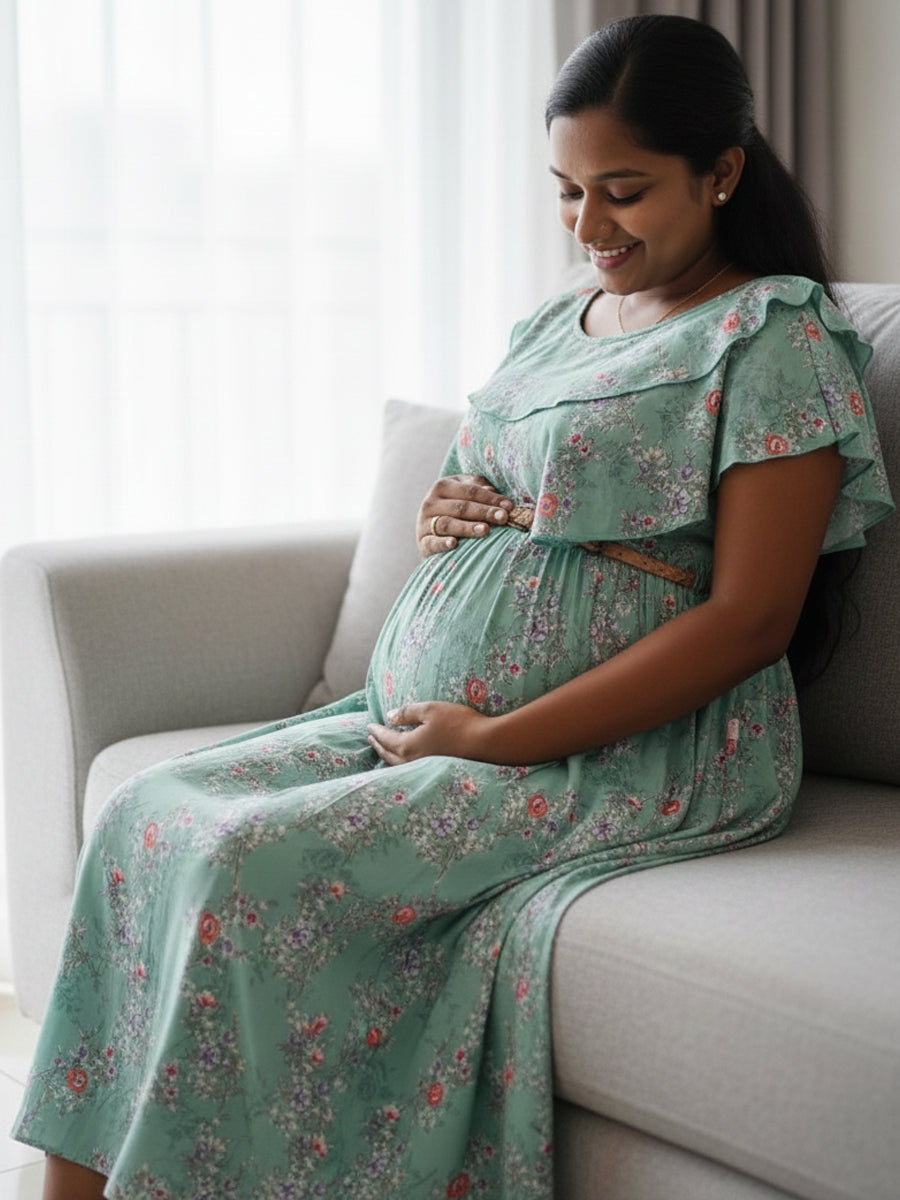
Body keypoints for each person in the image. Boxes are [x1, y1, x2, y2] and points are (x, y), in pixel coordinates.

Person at [13, 14, 893, 1200]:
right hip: (432, 713)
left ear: (721, 173)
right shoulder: (552, 323)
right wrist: (452, 521)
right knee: (147, 819)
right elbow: (505, 486)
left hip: (637, 753)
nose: (590, 228)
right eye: (567, 192)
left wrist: (496, 737)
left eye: (624, 192)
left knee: (251, 863)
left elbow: (751, 620)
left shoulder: (772, 338)